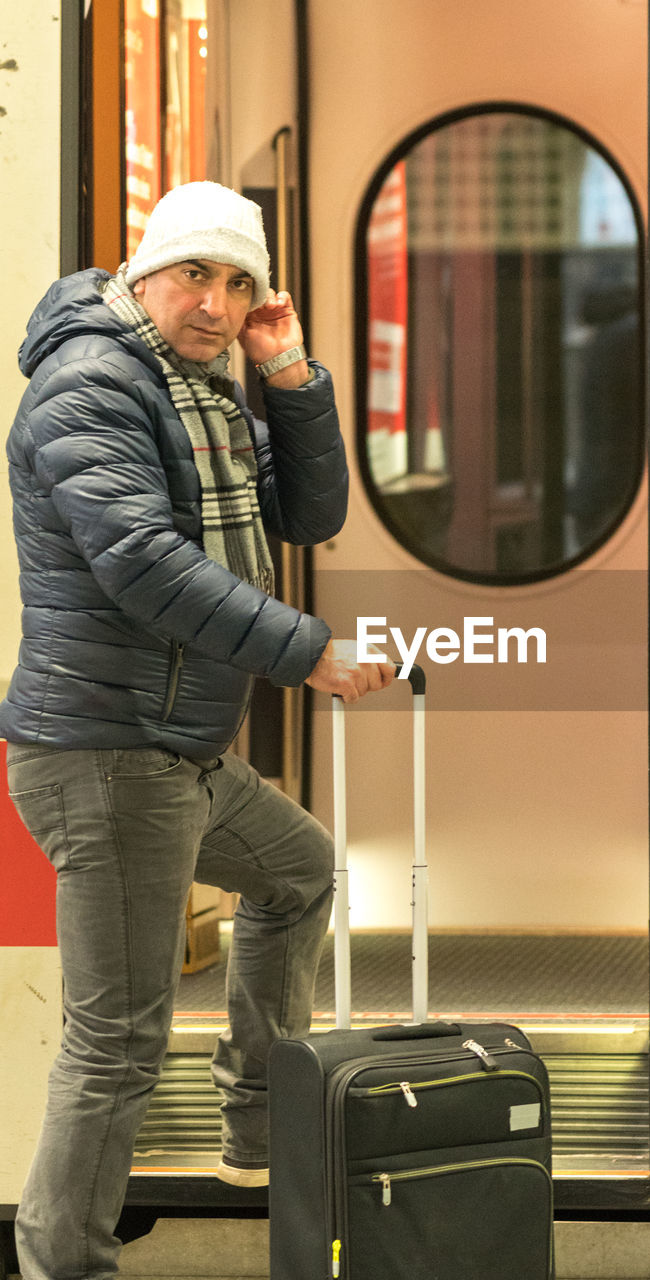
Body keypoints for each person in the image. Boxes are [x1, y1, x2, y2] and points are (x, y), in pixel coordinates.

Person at [0, 181, 395, 1280]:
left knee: (300, 871)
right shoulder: (91, 383)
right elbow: (139, 562)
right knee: (117, 1039)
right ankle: (60, 1261)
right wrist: (304, 650)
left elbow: (305, 516)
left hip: (175, 745)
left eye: (239, 283)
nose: (216, 303)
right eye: (195, 276)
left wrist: (292, 379)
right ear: (142, 271)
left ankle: (259, 1130)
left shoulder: (203, 388)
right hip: (106, 752)